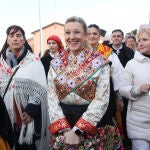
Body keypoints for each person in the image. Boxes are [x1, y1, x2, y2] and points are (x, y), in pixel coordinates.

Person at [47, 16, 110, 149]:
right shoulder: (55, 63)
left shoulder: (101, 62)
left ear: (85, 35)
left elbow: (101, 99)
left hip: (91, 124)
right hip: (63, 123)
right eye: (68, 32)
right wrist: (64, 129)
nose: (72, 37)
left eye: (77, 32)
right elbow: (51, 96)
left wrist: (77, 130)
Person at [0, 25, 49, 150]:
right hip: (3, 114)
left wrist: (31, 110)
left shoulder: (34, 60)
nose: (15, 39)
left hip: (26, 116)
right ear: (7, 39)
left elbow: (42, 87)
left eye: (19, 36)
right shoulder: (1, 63)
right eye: (11, 36)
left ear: (24, 39)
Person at [87, 24, 124, 149]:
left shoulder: (107, 52)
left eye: (95, 33)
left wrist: (119, 97)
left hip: (106, 99)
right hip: (84, 99)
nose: (92, 36)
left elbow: (118, 76)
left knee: (106, 125)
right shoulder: (79, 51)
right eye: (89, 33)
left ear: (99, 36)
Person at [119, 24, 150, 150]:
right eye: (140, 40)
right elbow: (122, 89)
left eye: (145, 40)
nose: (140, 43)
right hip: (138, 123)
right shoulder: (132, 64)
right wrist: (138, 89)